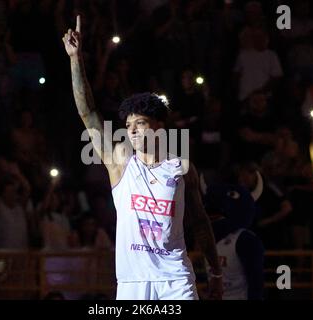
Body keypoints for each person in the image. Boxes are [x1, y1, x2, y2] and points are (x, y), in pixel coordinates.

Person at [62, 15, 222, 300]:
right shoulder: (120, 162)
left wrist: (215, 274)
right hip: (133, 281)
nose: (132, 130)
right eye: (129, 125)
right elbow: (87, 113)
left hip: (176, 280)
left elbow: (199, 221)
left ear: (159, 126)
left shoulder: (182, 167)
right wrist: (76, 58)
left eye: (141, 123)